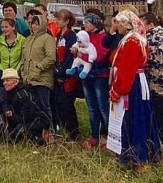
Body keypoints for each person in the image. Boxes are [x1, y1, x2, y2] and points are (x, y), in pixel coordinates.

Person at [107, 10, 161, 172]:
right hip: (136, 82)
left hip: (132, 86)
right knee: (141, 118)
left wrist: (118, 90)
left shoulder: (132, 42)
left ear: (126, 24)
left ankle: (139, 159)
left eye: (119, 23)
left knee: (135, 119)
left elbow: (127, 68)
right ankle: (146, 154)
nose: (117, 27)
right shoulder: (135, 39)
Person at [80, 11, 110, 148]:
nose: (84, 24)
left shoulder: (104, 37)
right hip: (87, 76)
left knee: (103, 107)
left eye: (87, 22)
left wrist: (82, 55)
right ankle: (94, 136)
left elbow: (100, 56)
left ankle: (109, 137)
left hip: (100, 76)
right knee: (91, 108)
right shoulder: (86, 37)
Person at [21, 14, 55, 129]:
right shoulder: (28, 39)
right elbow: (24, 58)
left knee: (44, 107)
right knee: (30, 107)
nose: (34, 26)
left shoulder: (47, 38)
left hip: (42, 80)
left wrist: (38, 67)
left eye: (37, 23)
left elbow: (51, 58)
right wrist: (23, 72)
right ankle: (35, 131)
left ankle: (49, 132)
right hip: (28, 78)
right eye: (32, 23)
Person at [0, 68, 51, 145]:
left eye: (7, 80)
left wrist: (11, 115)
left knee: (20, 128)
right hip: (21, 120)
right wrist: (7, 110)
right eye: (3, 81)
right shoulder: (9, 91)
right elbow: (4, 101)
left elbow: (25, 118)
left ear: (16, 82)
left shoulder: (23, 95)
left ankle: (39, 140)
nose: (5, 83)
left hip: (36, 123)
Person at [53, 9, 80, 141]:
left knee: (67, 104)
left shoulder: (71, 36)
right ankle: (65, 128)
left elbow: (70, 57)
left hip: (68, 75)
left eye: (59, 19)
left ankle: (73, 132)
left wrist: (63, 73)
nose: (57, 21)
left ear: (67, 21)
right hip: (58, 72)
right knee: (60, 103)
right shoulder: (59, 36)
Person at [141, 12, 163, 146]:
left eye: (142, 24)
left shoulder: (149, 39)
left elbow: (146, 61)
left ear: (150, 24)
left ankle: (159, 145)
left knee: (158, 117)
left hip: (156, 83)